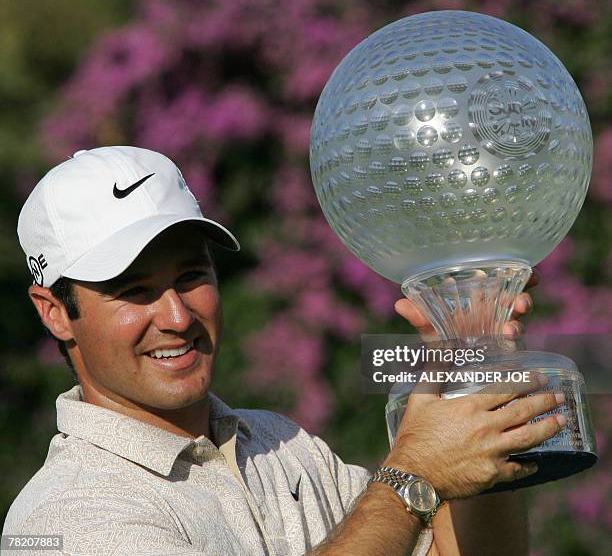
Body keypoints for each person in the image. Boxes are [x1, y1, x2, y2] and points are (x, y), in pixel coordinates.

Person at [3, 146, 565, 556]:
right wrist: (412, 474)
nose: (177, 317)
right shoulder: (65, 517)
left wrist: (471, 378)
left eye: (193, 275)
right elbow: (406, 493)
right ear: (54, 311)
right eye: (134, 291)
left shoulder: (281, 445)